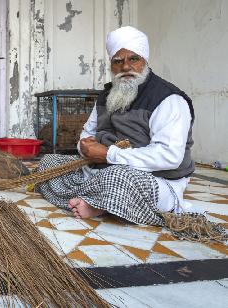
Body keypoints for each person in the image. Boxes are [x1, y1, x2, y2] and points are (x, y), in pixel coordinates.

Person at [37, 26, 195, 226]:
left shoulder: (168, 99)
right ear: (111, 65)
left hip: (151, 178)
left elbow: (169, 156)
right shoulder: (107, 94)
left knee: (117, 178)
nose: (126, 67)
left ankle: (98, 203)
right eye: (118, 61)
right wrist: (84, 148)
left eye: (133, 59)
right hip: (100, 169)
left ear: (145, 60)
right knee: (49, 163)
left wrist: (108, 155)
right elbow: (87, 134)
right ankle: (101, 199)